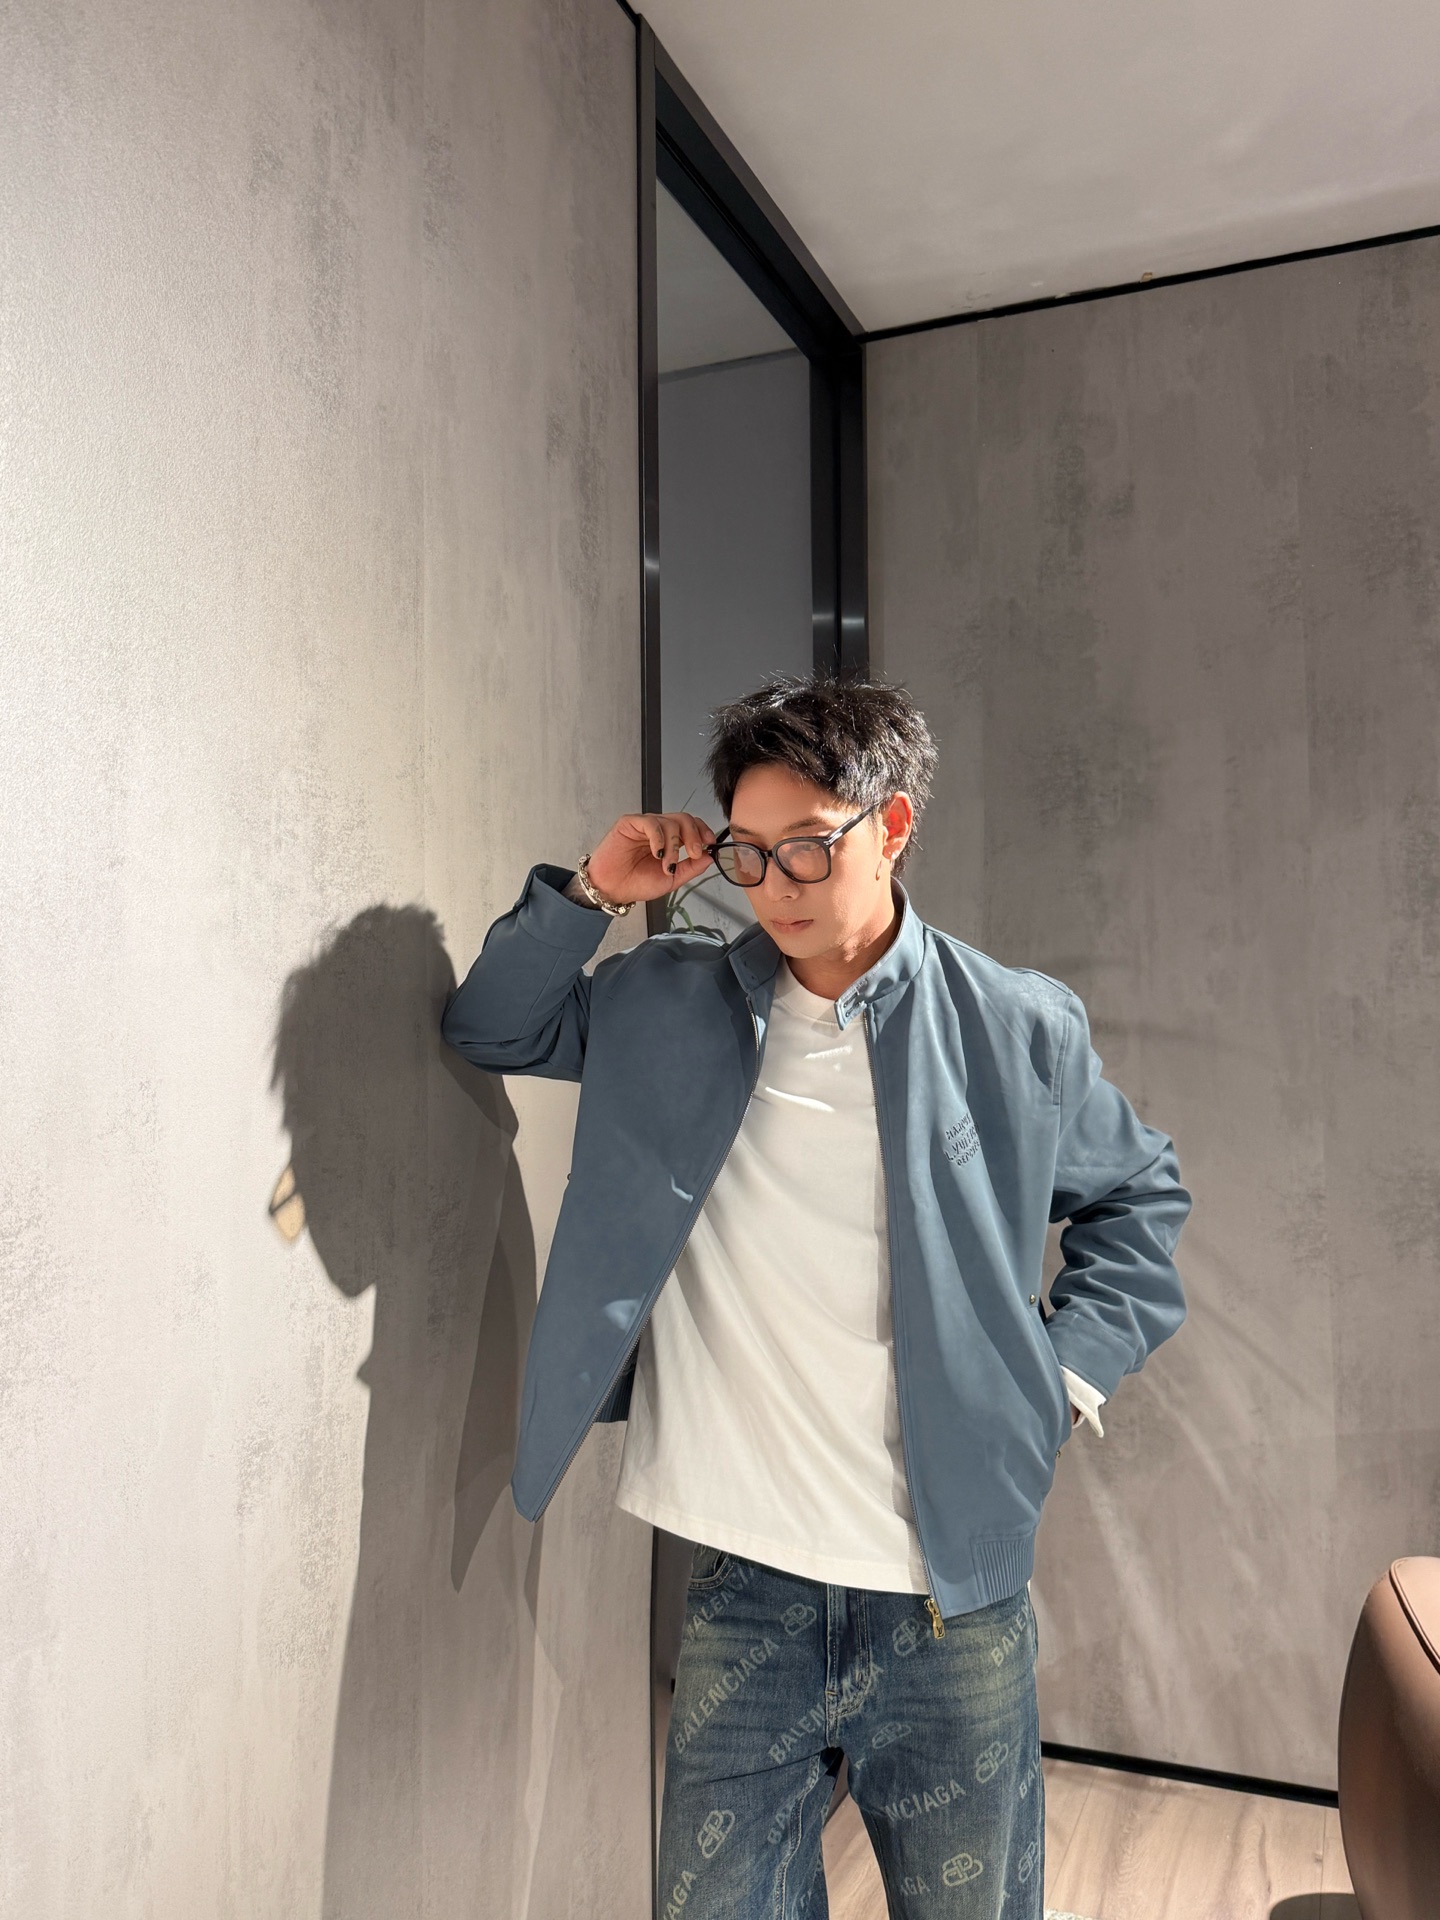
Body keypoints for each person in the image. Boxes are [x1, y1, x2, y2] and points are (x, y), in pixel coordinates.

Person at [441, 674, 1190, 1920]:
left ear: (891, 828)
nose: (774, 886)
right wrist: (593, 893)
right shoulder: (668, 1001)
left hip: (951, 1598)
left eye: (806, 848)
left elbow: (1139, 1201)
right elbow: (493, 1028)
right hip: (747, 1587)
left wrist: (1060, 1380)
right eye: (747, 853)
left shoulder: (1012, 1026)